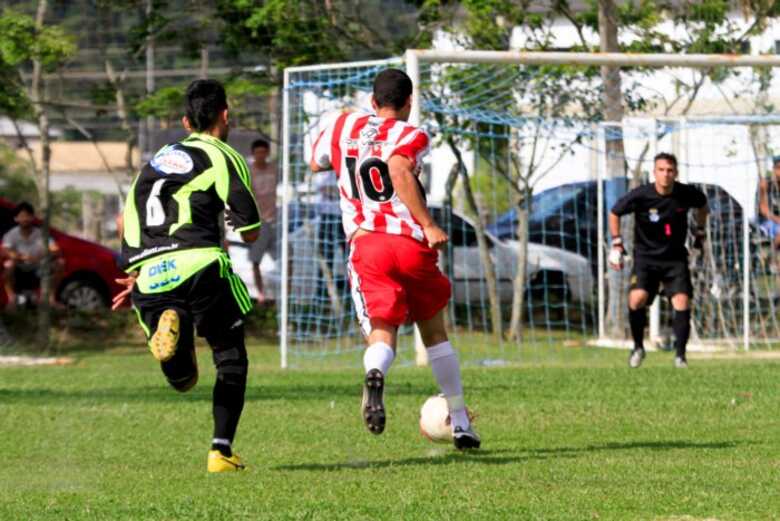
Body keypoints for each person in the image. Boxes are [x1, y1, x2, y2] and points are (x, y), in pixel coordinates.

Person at [310, 68, 480, 449]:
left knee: (382, 332)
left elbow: (315, 162)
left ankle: (375, 372)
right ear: (409, 103)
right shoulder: (412, 134)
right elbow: (399, 167)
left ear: (372, 102)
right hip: (409, 243)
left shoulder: (342, 124)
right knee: (435, 335)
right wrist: (430, 225)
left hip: (368, 244)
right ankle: (462, 423)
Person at [111, 79, 261, 472]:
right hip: (199, 263)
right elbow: (251, 230)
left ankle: (170, 319)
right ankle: (221, 451)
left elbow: (127, 216)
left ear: (184, 120)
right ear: (225, 115)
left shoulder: (154, 161)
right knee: (230, 355)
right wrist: (235, 220)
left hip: (148, 273)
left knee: (183, 381)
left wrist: (137, 272)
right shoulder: (222, 155)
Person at [608, 152, 708, 369]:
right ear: (654, 173)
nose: (666, 174)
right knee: (636, 300)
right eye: (661, 170)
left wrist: (700, 232)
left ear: (676, 173)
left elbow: (703, 205)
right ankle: (638, 347)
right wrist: (616, 243)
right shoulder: (641, 195)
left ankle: (680, 357)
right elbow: (614, 212)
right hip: (646, 259)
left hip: (675, 259)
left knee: (682, 301)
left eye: (670, 170)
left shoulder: (685, 193)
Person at [1, 202, 64, 309]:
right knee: (8, 265)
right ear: (16, 219)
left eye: (27, 216)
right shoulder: (11, 234)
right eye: (21, 216)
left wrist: (40, 257)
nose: (25, 219)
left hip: (38, 268)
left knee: (60, 263)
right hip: (19, 269)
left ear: (32, 217)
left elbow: (56, 251)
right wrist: (19, 256)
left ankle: (51, 300)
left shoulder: (41, 234)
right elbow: (4, 251)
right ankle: (12, 300)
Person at [248, 138, 278, 303]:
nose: (260, 155)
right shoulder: (249, 172)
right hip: (259, 222)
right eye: (257, 153)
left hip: (275, 220)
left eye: (263, 152)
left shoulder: (274, 170)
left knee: (287, 256)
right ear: (253, 154)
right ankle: (260, 294)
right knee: (255, 260)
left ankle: (285, 292)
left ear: (267, 153)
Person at [757, 155, 780, 250]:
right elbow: (764, 211)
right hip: (766, 221)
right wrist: (762, 191)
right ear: (773, 170)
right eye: (778, 168)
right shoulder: (766, 184)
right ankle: (773, 257)